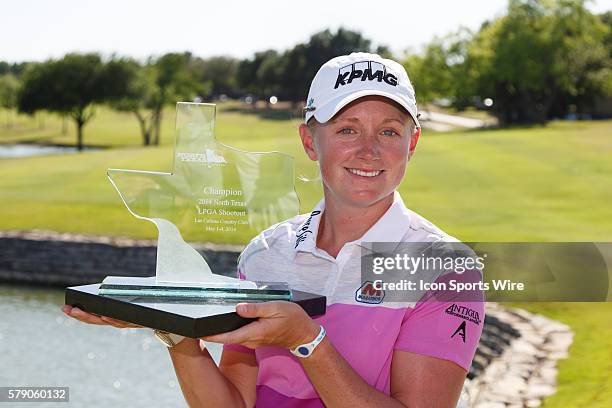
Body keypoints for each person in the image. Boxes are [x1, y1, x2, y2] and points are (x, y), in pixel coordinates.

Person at [63, 52, 484, 407]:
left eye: (389, 131)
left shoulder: (448, 270)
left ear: (411, 143)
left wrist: (307, 341)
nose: (369, 150)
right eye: (347, 129)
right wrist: (177, 334)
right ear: (308, 140)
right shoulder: (267, 253)